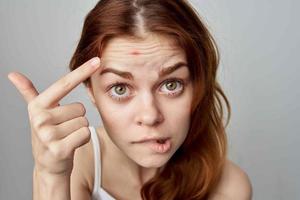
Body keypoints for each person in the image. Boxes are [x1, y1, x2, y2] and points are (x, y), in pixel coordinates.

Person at [7, 0, 252, 199]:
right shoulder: (79, 161)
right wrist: (50, 175)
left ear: (198, 85)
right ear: (91, 91)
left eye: (171, 84)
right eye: (120, 89)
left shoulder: (230, 188)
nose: (150, 116)